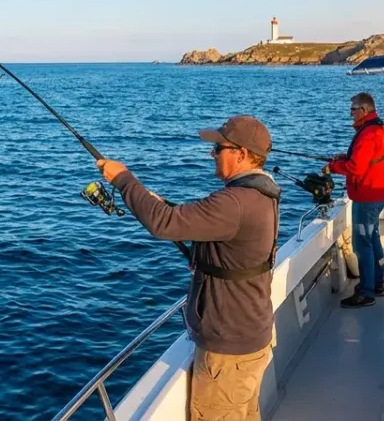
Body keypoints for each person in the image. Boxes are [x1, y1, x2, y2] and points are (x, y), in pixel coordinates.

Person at [95, 115, 280, 421]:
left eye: (218, 148)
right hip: (250, 334)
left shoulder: (235, 203)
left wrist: (124, 180)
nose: (212, 154)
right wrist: (157, 202)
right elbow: (195, 223)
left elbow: (163, 223)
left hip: (228, 351)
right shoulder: (261, 193)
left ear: (242, 154)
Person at [328, 92, 384, 309]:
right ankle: (378, 283)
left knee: (362, 244)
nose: (350, 113)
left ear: (364, 110)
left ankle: (366, 292)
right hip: (375, 194)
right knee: (372, 240)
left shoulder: (367, 134)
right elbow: (364, 159)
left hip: (366, 197)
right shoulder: (377, 127)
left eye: (353, 109)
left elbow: (356, 168)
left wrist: (332, 167)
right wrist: (343, 158)